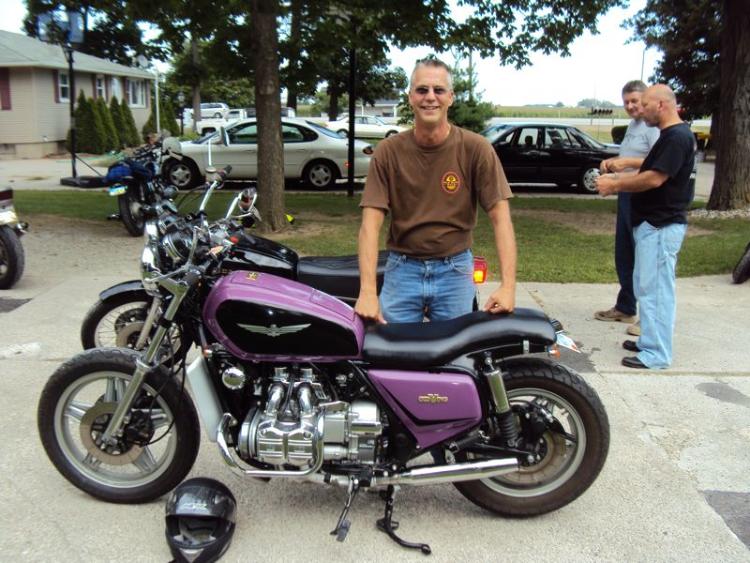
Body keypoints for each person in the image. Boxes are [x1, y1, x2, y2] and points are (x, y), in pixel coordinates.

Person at [354, 58, 516, 324]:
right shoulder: (388, 152)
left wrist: (508, 287)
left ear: (450, 97)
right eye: (422, 90)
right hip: (402, 269)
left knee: (458, 349)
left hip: (455, 271)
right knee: (392, 347)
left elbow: (501, 219)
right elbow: (369, 227)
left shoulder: (476, 149)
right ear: (410, 97)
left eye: (438, 90)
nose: (430, 97)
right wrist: (368, 292)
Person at [596, 84, 695, 369]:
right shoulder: (668, 136)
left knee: (657, 293)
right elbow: (649, 172)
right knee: (646, 286)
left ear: (661, 105)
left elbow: (654, 178)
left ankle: (656, 354)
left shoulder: (677, 137)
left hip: (661, 226)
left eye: (646, 105)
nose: (642, 110)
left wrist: (615, 185)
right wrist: (620, 172)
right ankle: (648, 341)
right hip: (652, 225)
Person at [594, 80, 660, 337]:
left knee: (643, 257)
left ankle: (648, 318)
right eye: (626, 102)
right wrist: (614, 163)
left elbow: (657, 162)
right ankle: (625, 306)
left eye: (635, 101)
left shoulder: (653, 128)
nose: (631, 106)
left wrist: (626, 163)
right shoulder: (633, 126)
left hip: (643, 196)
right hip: (626, 194)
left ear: (646, 100)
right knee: (624, 254)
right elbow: (632, 161)